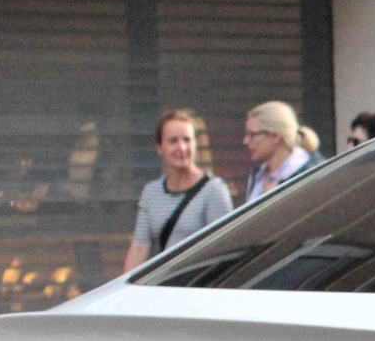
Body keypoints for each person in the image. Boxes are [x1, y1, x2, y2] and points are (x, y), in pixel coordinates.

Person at [124, 109, 234, 273]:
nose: (181, 148)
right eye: (173, 141)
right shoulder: (152, 192)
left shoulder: (214, 190)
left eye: (187, 140)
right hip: (165, 285)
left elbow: (225, 246)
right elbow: (139, 247)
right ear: (160, 148)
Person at [241, 101, 316, 204]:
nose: (245, 141)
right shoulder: (257, 174)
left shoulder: (310, 176)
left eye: (252, 135)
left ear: (275, 137)